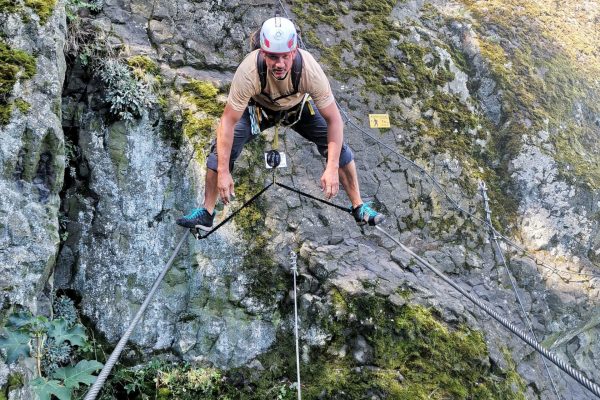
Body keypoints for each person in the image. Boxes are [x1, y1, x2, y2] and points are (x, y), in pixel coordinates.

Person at [177, 16, 385, 230]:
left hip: (298, 108)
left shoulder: (309, 69)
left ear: (294, 52)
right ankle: (207, 212)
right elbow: (228, 122)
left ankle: (358, 206)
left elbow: (334, 120)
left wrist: (331, 167)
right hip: (258, 109)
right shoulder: (248, 71)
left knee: (338, 149)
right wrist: (223, 172)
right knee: (220, 152)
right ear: (263, 53)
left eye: (285, 56)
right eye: (273, 57)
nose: (279, 64)